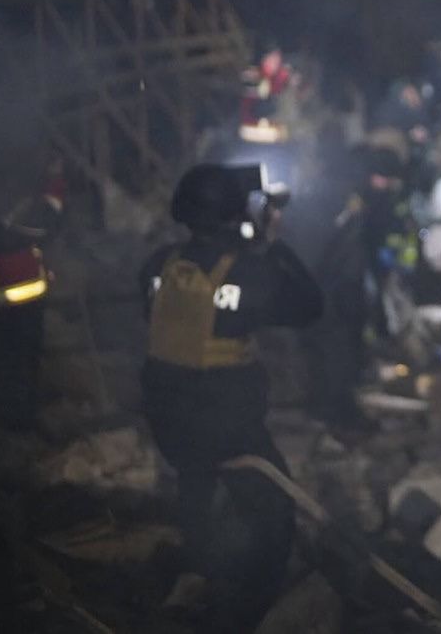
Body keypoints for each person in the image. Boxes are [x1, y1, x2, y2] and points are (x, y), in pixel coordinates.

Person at [140, 164, 323, 631]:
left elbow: (157, 318)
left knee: (195, 487)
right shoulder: (249, 270)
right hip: (225, 423)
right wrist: (273, 241)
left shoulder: (159, 263)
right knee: (275, 510)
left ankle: (196, 573)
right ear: (236, 210)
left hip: (166, 416)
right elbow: (308, 308)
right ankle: (247, 609)